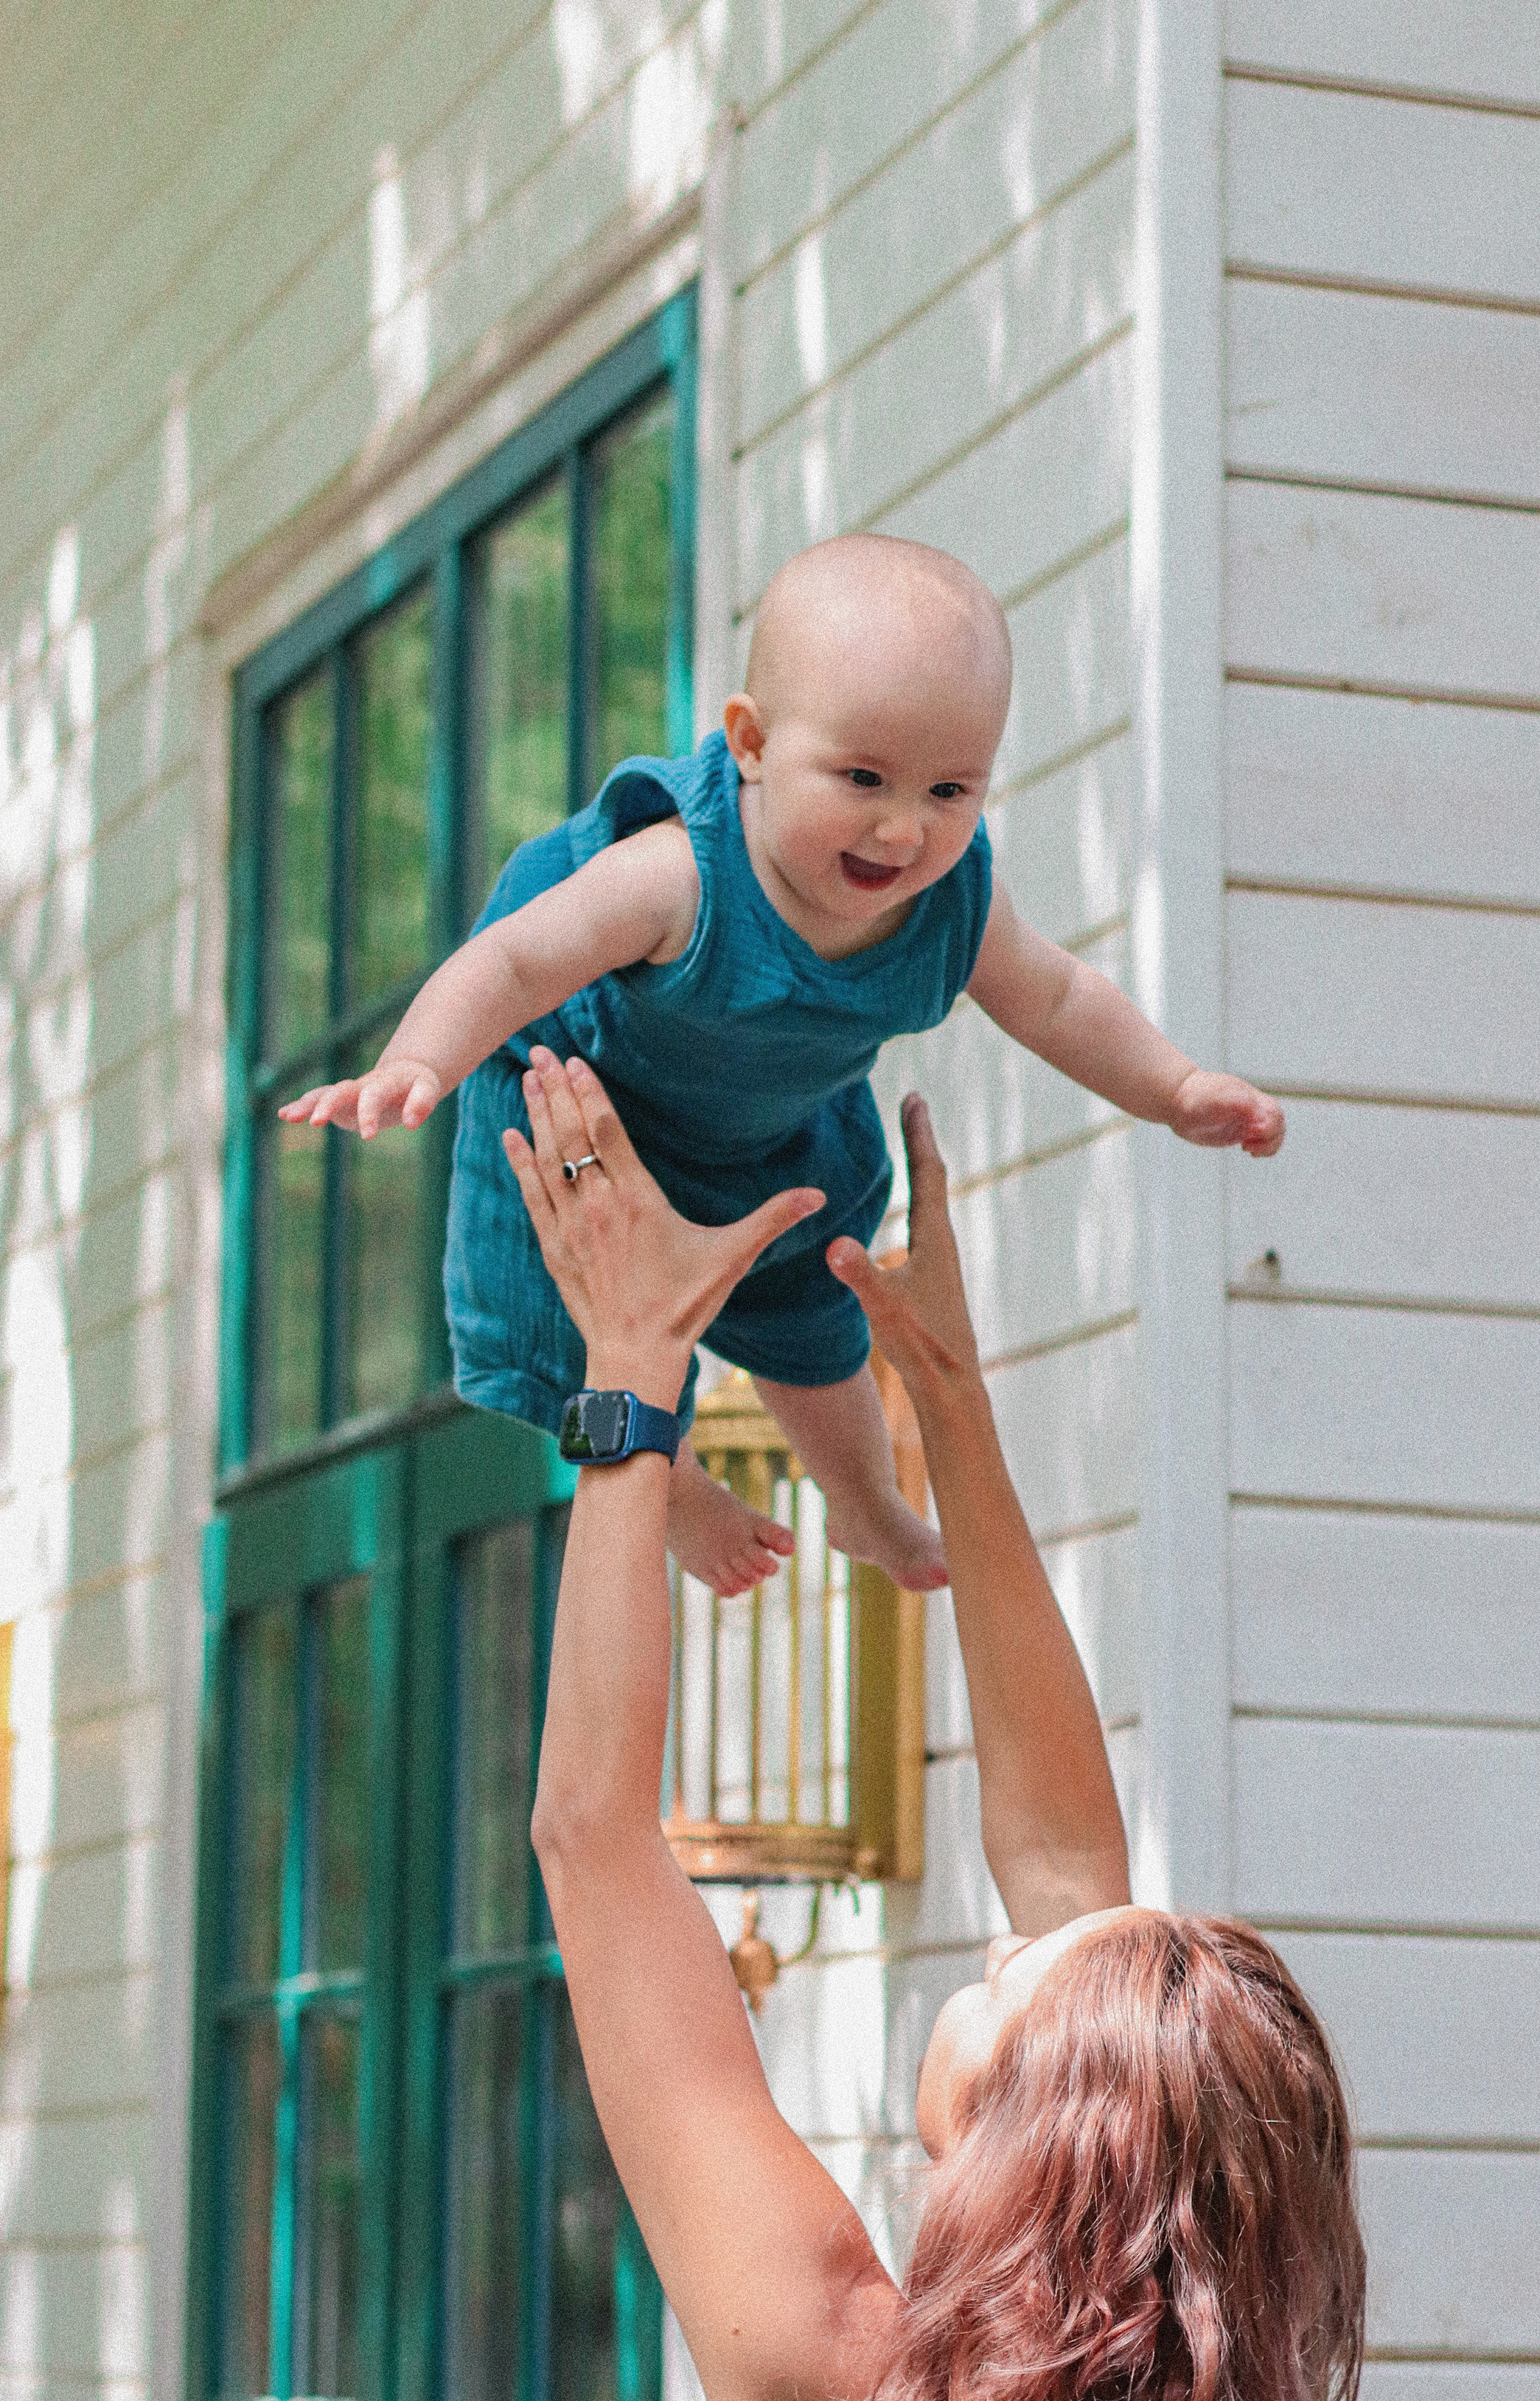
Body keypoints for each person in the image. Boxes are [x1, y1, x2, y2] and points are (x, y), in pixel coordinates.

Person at [506, 1044, 1366, 2401]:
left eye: (1002, 1981)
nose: (1005, 1941)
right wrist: (947, 1404)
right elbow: (1069, 1866)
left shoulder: (837, 2377)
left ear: (1039, 2131)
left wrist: (629, 1384)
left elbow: (595, 1843)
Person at [282, 533, 1286, 1602]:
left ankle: (861, 1504)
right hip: (578, 1096)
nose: (904, 828)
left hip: (767, 1130)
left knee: (818, 1317)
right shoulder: (679, 874)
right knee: (560, 1321)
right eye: (863, 777)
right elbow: (520, 953)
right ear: (751, 744)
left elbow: (1057, 999)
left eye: (952, 790)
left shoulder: (950, 901)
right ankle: (669, 1491)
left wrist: (1173, 1089)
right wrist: (419, 1059)